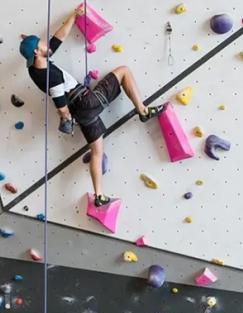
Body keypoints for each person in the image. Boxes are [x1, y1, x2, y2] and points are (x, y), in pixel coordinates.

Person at [19, 7, 165, 207]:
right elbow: (60, 106)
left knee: (97, 151)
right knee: (123, 71)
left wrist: (72, 17)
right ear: (37, 52)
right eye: (41, 44)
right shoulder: (49, 78)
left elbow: (57, 39)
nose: (46, 44)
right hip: (86, 102)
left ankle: (99, 195)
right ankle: (143, 111)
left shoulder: (33, 68)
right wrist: (65, 118)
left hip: (83, 114)